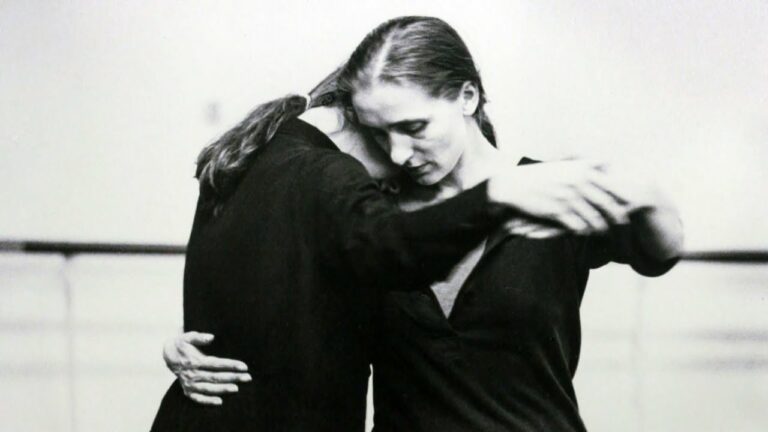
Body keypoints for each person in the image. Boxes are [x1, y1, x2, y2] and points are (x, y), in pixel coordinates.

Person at [163, 16, 683, 432]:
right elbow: (286, 302)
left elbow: (660, 254)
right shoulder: (374, 215)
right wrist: (192, 346)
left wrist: (640, 192)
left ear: (467, 98)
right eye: (380, 132)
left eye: (414, 128)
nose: (399, 152)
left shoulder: (545, 189)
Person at [149, 51, 562, 430]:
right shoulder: (332, 179)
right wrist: (499, 195)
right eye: (395, 135)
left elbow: (262, 307)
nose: (404, 162)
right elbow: (398, 248)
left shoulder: (245, 154)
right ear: (366, 118)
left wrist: (181, 345)